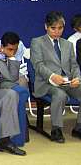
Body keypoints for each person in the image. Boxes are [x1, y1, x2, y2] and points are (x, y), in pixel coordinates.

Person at [30, 11, 81, 143]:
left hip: (67, 81)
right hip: (46, 83)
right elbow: (38, 65)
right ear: (46, 27)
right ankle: (56, 128)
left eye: (60, 28)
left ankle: (79, 127)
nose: (57, 32)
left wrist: (77, 78)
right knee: (60, 95)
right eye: (53, 28)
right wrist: (52, 76)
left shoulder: (67, 44)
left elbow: (74, 65)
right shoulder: (37, 42)